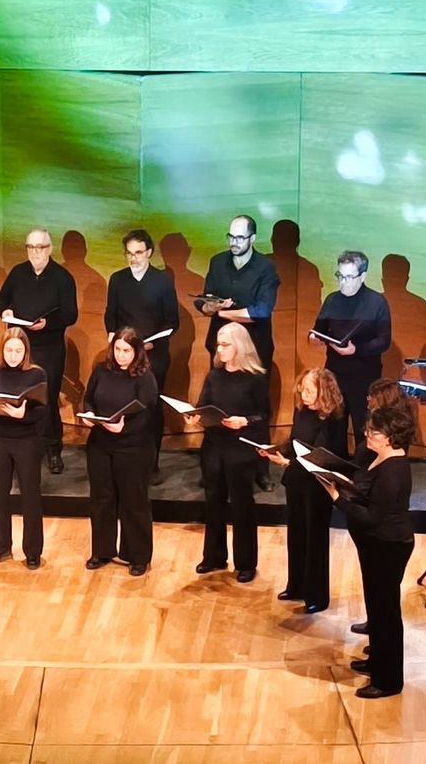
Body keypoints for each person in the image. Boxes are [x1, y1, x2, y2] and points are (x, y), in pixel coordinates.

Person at [324, 404, 417, 699]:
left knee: (386, 613)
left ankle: (388, 681)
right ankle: (377, 660)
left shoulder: (394, 472)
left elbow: (373, 517)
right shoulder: (381, 458)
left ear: (390, 437)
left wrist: (337, 498)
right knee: (377, 608)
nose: (367, 434)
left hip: (388, 547)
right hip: (375, 545)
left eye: (374, 431)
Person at [259, 368, 349, 613]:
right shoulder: (302, 412)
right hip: (297, 481)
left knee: (315, 538)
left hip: (318, 485)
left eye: (310, 390)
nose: (305, 395)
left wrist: (288, 463)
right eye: (303, 389)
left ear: (324, 391)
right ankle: (296, 586)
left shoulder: (335, 419)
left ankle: (317, 596)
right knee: (296, 534)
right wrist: (275, 449)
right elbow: (295, 443)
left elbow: (326, 455)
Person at [187, 322, 270, 582]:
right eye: (218, 344)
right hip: (213, 446)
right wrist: (194, 416)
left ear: (239, 346)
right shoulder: (214, 375)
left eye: (225, 344)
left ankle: (245, 562)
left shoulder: (254, 377)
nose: (219, 349)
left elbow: (264, 415)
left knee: (242, 505)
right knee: (213, 501)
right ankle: (214, 556)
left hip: (241, 448)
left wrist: (244, 421)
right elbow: (203, 406)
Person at [0, 227, 78, 474]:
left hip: (49, 347)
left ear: (50, 249)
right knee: (20, 396)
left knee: (47, 398)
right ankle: (24, 446)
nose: (35, 252)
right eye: (30, 247)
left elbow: (71, 313)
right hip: (20, 347)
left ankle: (53, 448)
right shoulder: (18, 273)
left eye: (40, 247)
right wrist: (5, 312)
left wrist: (47, 323)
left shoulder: (62, 277)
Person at [81, 327, 159, 576]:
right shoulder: (102, 371)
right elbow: (89, 399)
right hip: (100, 444)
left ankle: (137, 556)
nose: (121, 355)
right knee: (101, 499)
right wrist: (89, 414)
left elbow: (149, 413)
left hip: (133, 447)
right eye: (117, 350)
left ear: (137, 352)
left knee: (133, 501)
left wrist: (124, 425)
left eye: (127, 351)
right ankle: (102, 550)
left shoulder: (144, 377)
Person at [104, 229, 179, 474]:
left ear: (149, 252)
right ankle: (126, 460)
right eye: (129, 253)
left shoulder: (162, 281)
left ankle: (152, 463)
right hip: (124, 354)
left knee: (151, 408)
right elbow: (111, 316)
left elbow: (172, 321)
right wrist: (116, 338)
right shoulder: (117, 279)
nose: (133, 258)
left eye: (138, 253)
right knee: (124, 403)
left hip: (153, 355)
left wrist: (150, 343)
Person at [0, 328, 49, 568]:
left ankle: (32, 551)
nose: (13, 355)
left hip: (27, 440)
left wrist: (23, 413)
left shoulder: (36, 374)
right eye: (9, 350)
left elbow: (43, 411)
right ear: (3, 349)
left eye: (18, 350)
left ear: (26, 351)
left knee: (30, 496)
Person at [310, 250, 392, 448]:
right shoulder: (332, 300)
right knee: (333, 429)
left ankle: (363, 474)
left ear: (362, 276)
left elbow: (384, 341)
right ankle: (336, 474)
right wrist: (315, 338)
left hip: (364, 377)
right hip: (334, 375)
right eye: (340, 276)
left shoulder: (376, 302)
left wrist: (357, 350)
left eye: (349, 277)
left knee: (363, 429)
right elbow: (318, 330)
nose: (343, 282)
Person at [197, 215, 280, 372]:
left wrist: (223, 313)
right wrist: (210, 308)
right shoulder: (217, 262)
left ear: (252, 238)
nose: (234, 243)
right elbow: (205, 298)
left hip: (253, 349)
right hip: (220, 349)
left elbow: (262, 310)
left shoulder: (266, 267)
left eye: (240, 238)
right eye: (231, 237)